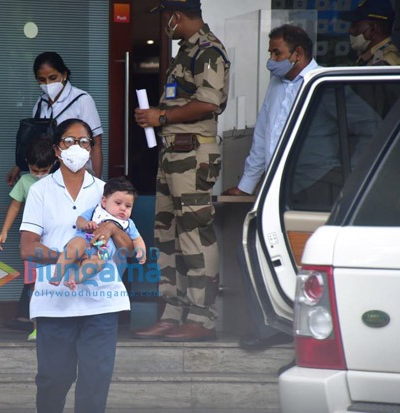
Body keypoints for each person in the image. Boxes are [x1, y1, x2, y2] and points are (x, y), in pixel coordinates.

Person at [20, 118, 134, 413]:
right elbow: (27, 247)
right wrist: (66, 256)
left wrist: (112, 228)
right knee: (53, 379)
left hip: (102, 300)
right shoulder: (40, 191)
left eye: (84, 142)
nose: (78, 148)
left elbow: (128, 248)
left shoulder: (106, 192)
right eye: (69, 141)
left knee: (95, 382)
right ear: (57, 150)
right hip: (53, 300)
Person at [132, 0, 230, 342]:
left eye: (165, 18)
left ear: (177, 15)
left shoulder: (207, 50)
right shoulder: (185, 51)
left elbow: (209, 101)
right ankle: (173, 312)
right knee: (167, 232)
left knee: (195, 233)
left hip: (192, 153)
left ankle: (202, 318)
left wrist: (161, 117)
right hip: (173, 152)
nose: (164, 25)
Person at [223, 25, 320, 350]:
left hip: (316, 186)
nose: (271, 60)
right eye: (270, 53)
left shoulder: (321, 84)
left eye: (276, 53)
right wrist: (247, 184)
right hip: (278, 187)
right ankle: (273, 325)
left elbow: (368, 130)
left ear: (298, 54)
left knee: (309, 259)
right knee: (251, 248)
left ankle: (309, 329)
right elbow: (263, 135)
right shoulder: (278, 84)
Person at [7, 52, 104, 184]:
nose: (48, 84)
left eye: (53, 77)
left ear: (64, 74)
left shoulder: (82, 100)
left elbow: (96, 144)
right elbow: (34, 143)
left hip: (77, 174)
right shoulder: (40, 103)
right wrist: (18, 167)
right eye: (42, 80)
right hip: (47, 176)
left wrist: (97, 183)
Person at [0, 137, 56, 341]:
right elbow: (15, 206)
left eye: (44, 170)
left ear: (54, 163)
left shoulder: (58, 180)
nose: (38, 175)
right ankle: (37, 325)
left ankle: (57, 323)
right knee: (33, 284)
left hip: (55, 241)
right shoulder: (24, 181)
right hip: (32, 243)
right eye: (34, 170)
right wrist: (4, 231)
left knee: (58, 280)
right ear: (27, 165)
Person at [51, 176, 146, 290]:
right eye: (118, 203)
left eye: (128, 206)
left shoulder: (128, 223)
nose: (123, 208)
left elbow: (137, 239)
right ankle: (57, 275)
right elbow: (79, 220)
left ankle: (73, 279)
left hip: (101, 253)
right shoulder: (96, 211)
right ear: (104, 201)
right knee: (73, 247)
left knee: (96, 264)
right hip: (84, 239)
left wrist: (141, 251)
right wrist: (86, 224)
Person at [340, 0, 400, 66]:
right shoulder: (372, 56)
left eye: (355, 25)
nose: (350, 30)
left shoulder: (385, 61)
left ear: (372, 29)